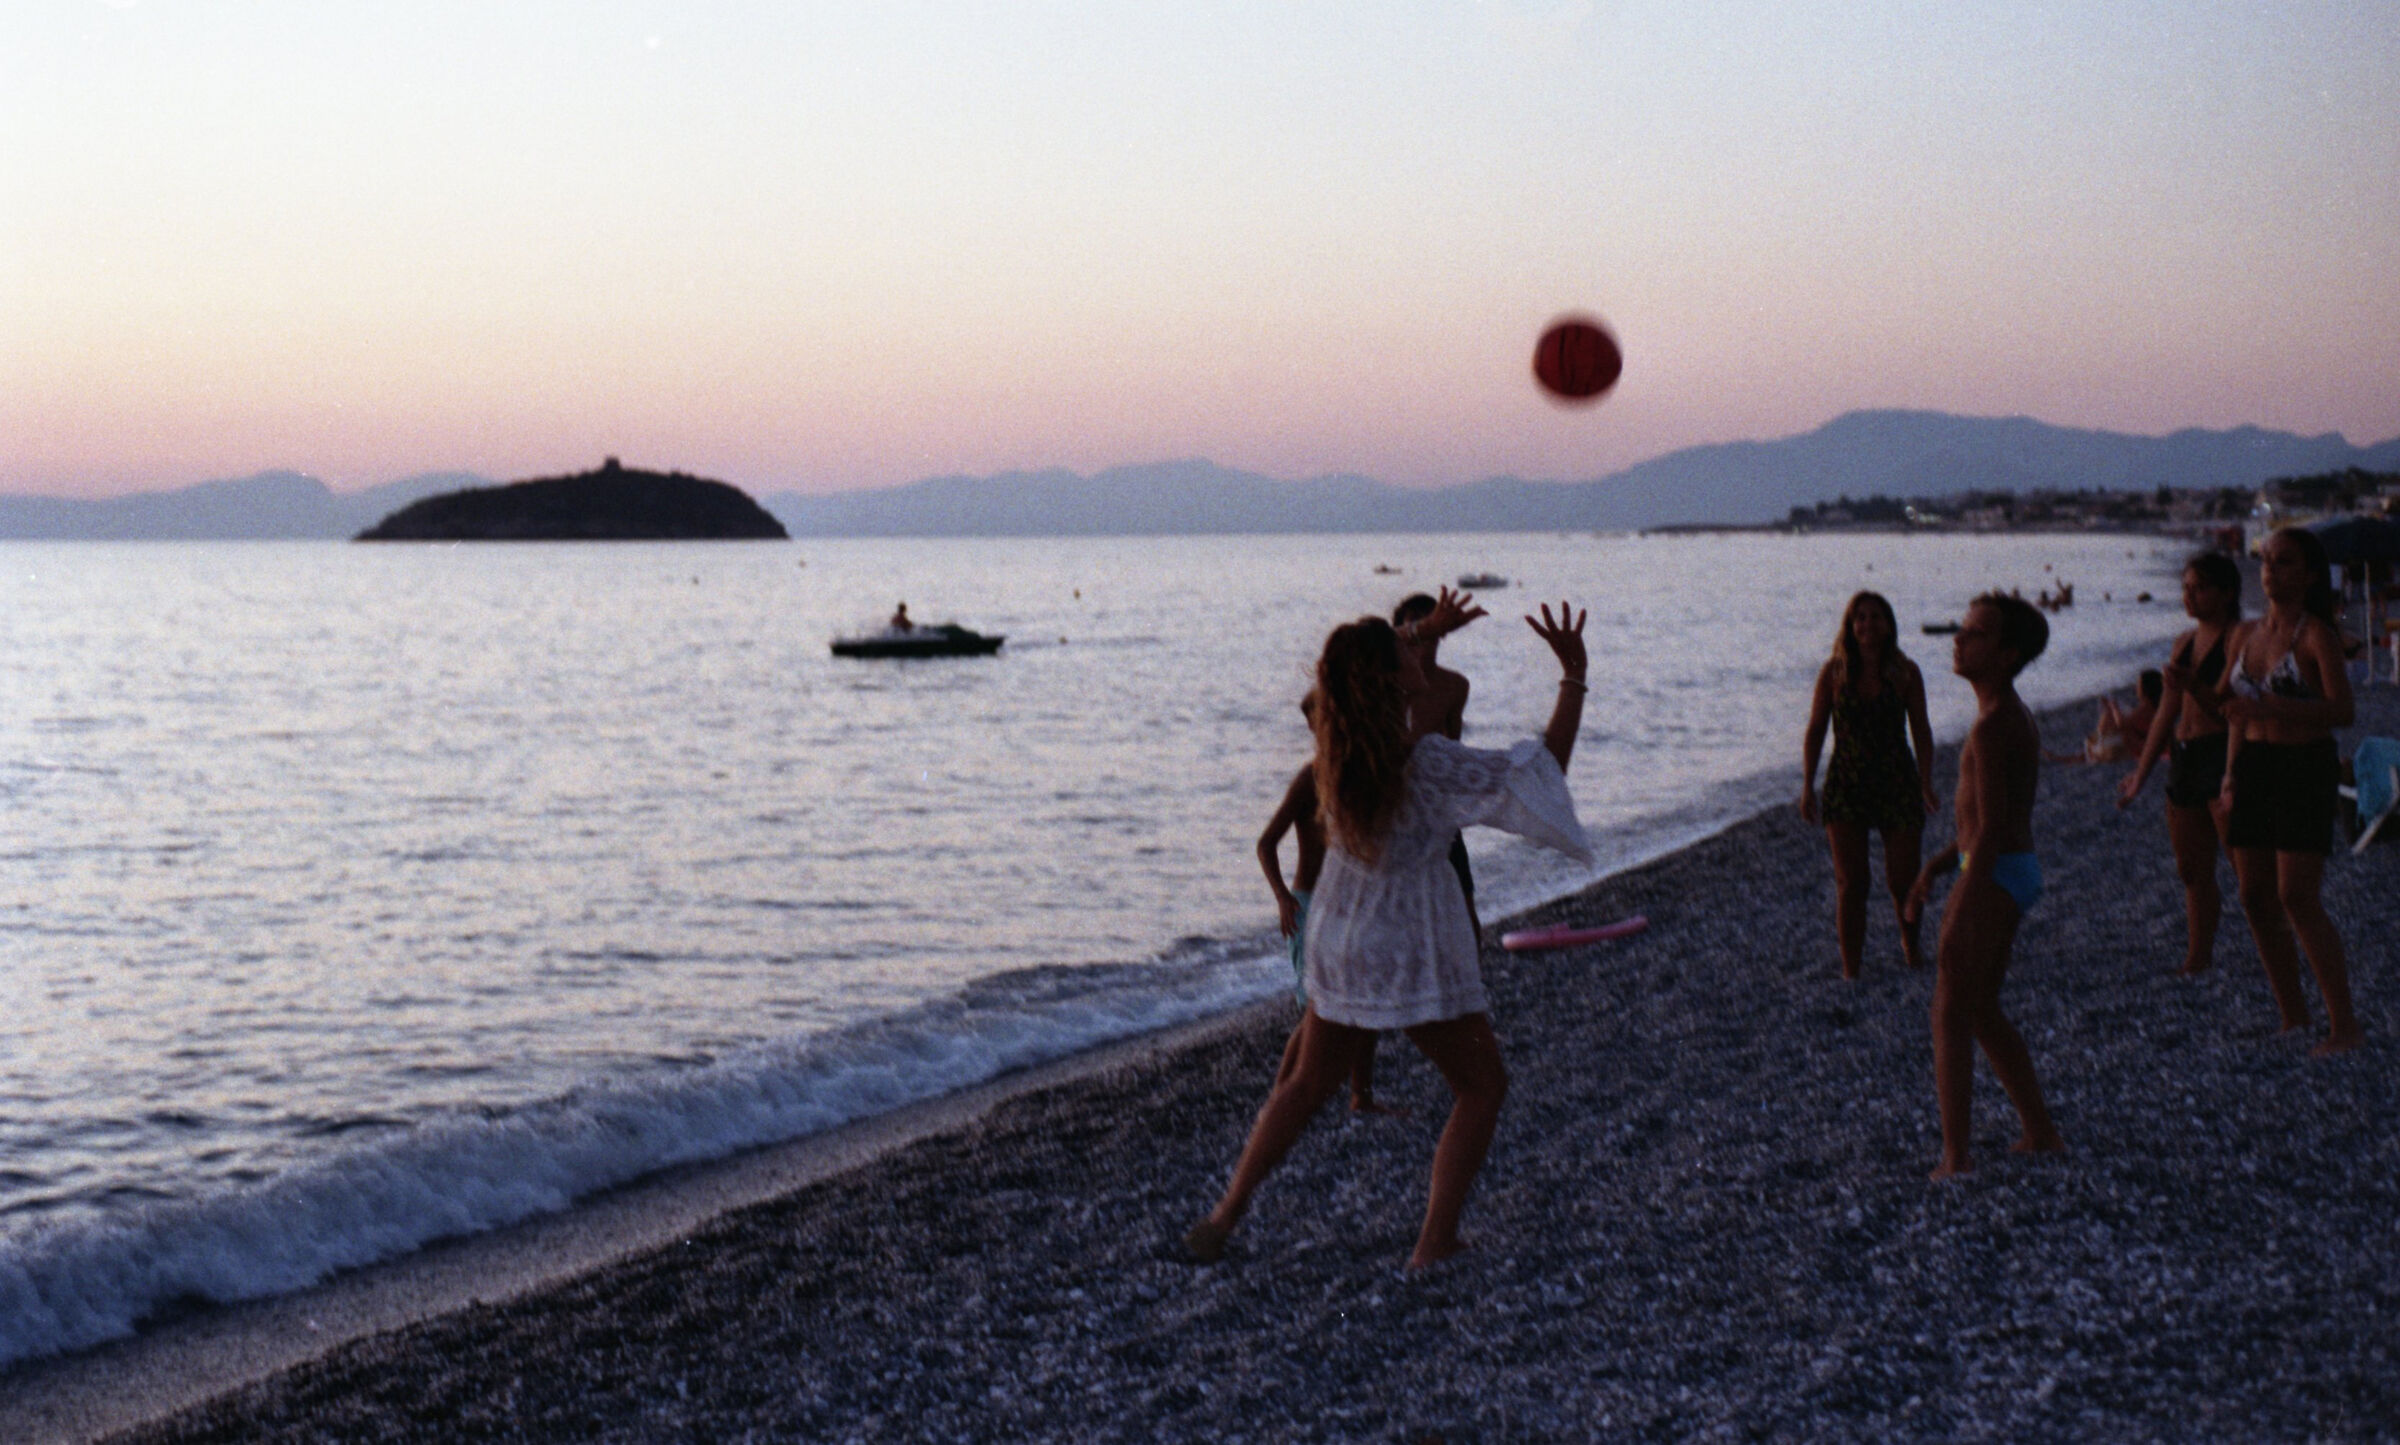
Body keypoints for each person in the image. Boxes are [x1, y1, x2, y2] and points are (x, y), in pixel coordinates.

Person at [1189, 592, 1594, 1269]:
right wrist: (1573, 676)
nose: (1420, 651)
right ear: (1391, 676)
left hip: (1342, 933)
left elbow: (1332, 681)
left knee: (1307, 1084)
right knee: (1482, 1086)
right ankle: (1433, 1242)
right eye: (1408, 648)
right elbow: (1544, 767)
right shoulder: (1426, 764)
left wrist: (1417, 630)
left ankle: (1225, 1214)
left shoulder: (1335, 748)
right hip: (1408, 939)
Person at [1905, 593, 2065, 1181]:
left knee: (1949, 1009)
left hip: (1996, 874)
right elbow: (1981, 824)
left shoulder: (1999, 723)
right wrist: (1937, 866)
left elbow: (1994, 826)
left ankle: (1956, 1154)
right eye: (1963, 629)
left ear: (2006, 654)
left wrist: (1965, 893)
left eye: (1974, 633)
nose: (1959, 639)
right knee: (1982, 1010)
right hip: (2001, 868)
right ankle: (2040, 1131)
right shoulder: (1998, 713)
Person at [2217, 526, 2361, 1056]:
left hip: (2304, 764)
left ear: (2309, 574)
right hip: (2253, 763)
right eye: (2267, 561)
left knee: (2296, 896)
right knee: (2253, 895)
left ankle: (2343, 1025)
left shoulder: (2315, 635)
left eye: (2284, 562)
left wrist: (2272, 707)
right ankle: (2292, 1013)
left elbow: (2343, 711)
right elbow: (2235, 712)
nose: (2271, 570)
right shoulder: (2246, 634)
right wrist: (2229, 774)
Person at [1257, 712, 1394, 1117]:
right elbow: (1266, 844)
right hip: (1308, 905)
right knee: (1318, 1008)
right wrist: (1282, 897)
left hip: (1347, 903)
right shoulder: (1311, 777)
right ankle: (1279, 1099)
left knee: (1366, 998)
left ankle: (1361, 1096)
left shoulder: (1357, 775)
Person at [1800, 592, 1941, 977]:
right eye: (1859, 617)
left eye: (1876, 617)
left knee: (1903, 879)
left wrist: (1927, 782)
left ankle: (1911, 948)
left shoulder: (1906, 672)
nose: (1867, 624)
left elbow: (1922, 731)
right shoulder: (1834, 673)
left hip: (1898, 781)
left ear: (1889, 624)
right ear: (1849, 626)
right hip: (1846, 785)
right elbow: (1815, 730)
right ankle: (1851, 969)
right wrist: (1806, 785)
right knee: (1852, 883)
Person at [2116, 552, 2242, 975]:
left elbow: (2230, 706)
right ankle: (2198, 955)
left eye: (2200, 587)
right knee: (2191, 869)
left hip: (2222, 753)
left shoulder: (2238, 638)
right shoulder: (2183, 643)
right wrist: (2141, 775)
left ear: (2226, 593)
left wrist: (2194, 685)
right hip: (2185, 759)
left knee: (2246, 869)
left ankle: (2272, 942)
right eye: (2186, 587)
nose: (2189, 595)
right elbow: (2167, 711)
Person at [1392, 593, 1481, 941]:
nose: (1422, 641)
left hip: (1437, 809)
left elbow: (1453, 750)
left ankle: (1471, 980)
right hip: (1392, 808)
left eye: (1430, 630)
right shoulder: (1385, 682)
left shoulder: (1454, 686)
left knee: (1463, 902)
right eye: (1415, 631)